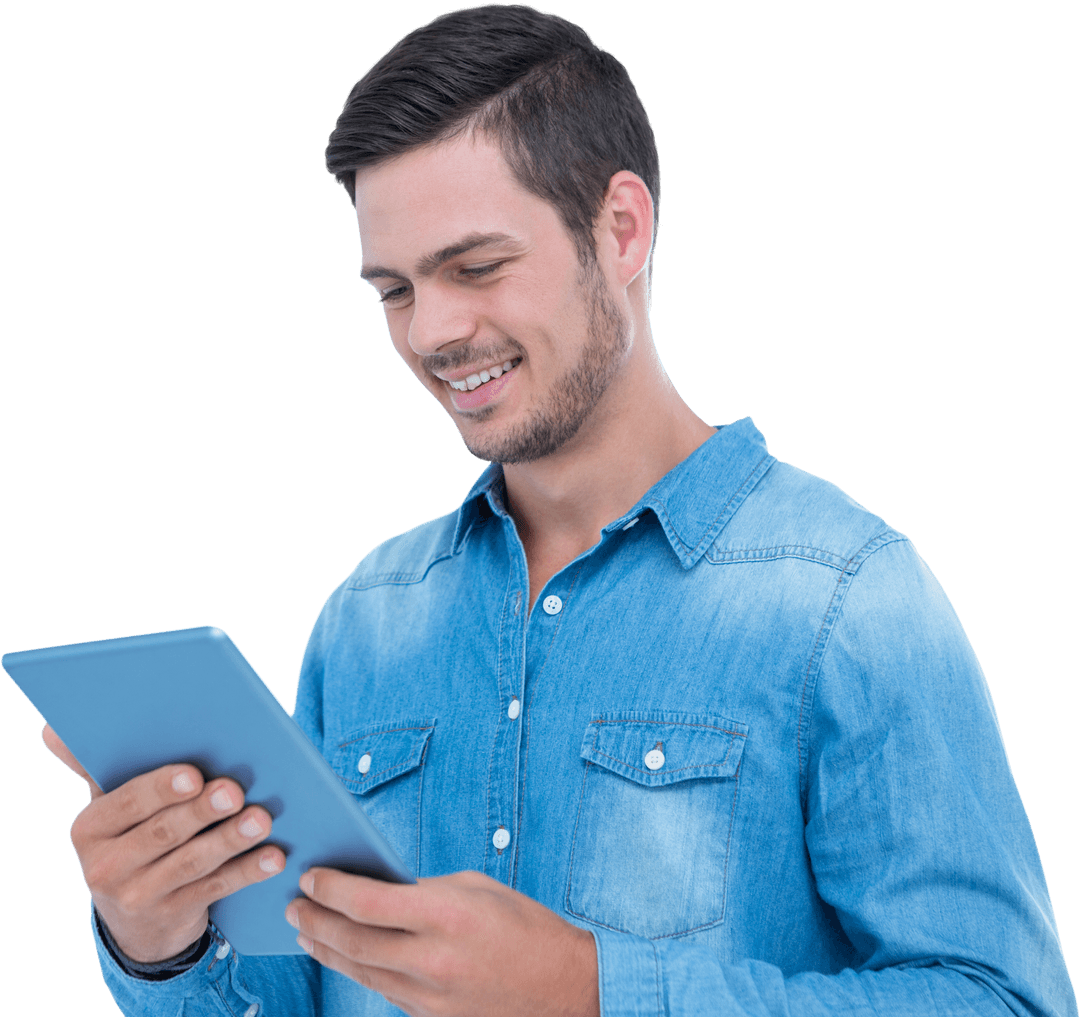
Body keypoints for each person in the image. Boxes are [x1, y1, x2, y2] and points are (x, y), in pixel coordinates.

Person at [42, 6, 1076, 1016]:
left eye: (477, 266)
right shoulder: (368, 619)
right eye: (394, 290)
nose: (434, 330)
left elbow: (1005, 999)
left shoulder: (845, 600)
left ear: (621, 228)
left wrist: (594, 992)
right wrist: (160, 936)